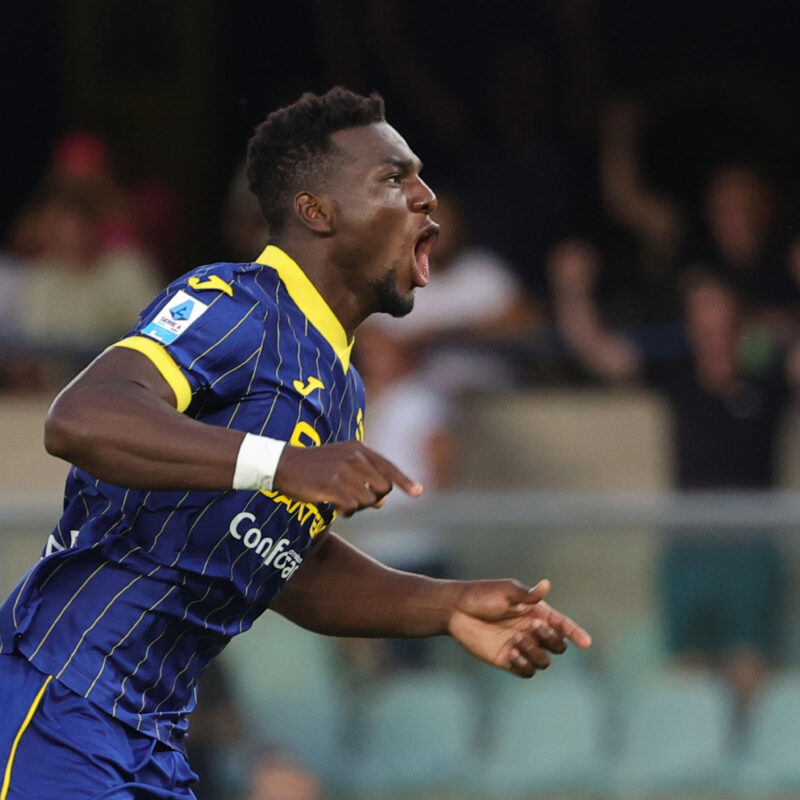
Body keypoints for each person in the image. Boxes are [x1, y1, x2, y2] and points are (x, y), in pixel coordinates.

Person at [0, 87, 591, 799]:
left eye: (421, 176)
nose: (426, 197)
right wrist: (282, 462)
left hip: (151, 738)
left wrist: (450, 605)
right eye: (394, 178)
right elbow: (83, 416)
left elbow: (291, 567)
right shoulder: (238, 303)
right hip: (57, 701)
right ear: (316, 210)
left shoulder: (341, 389)